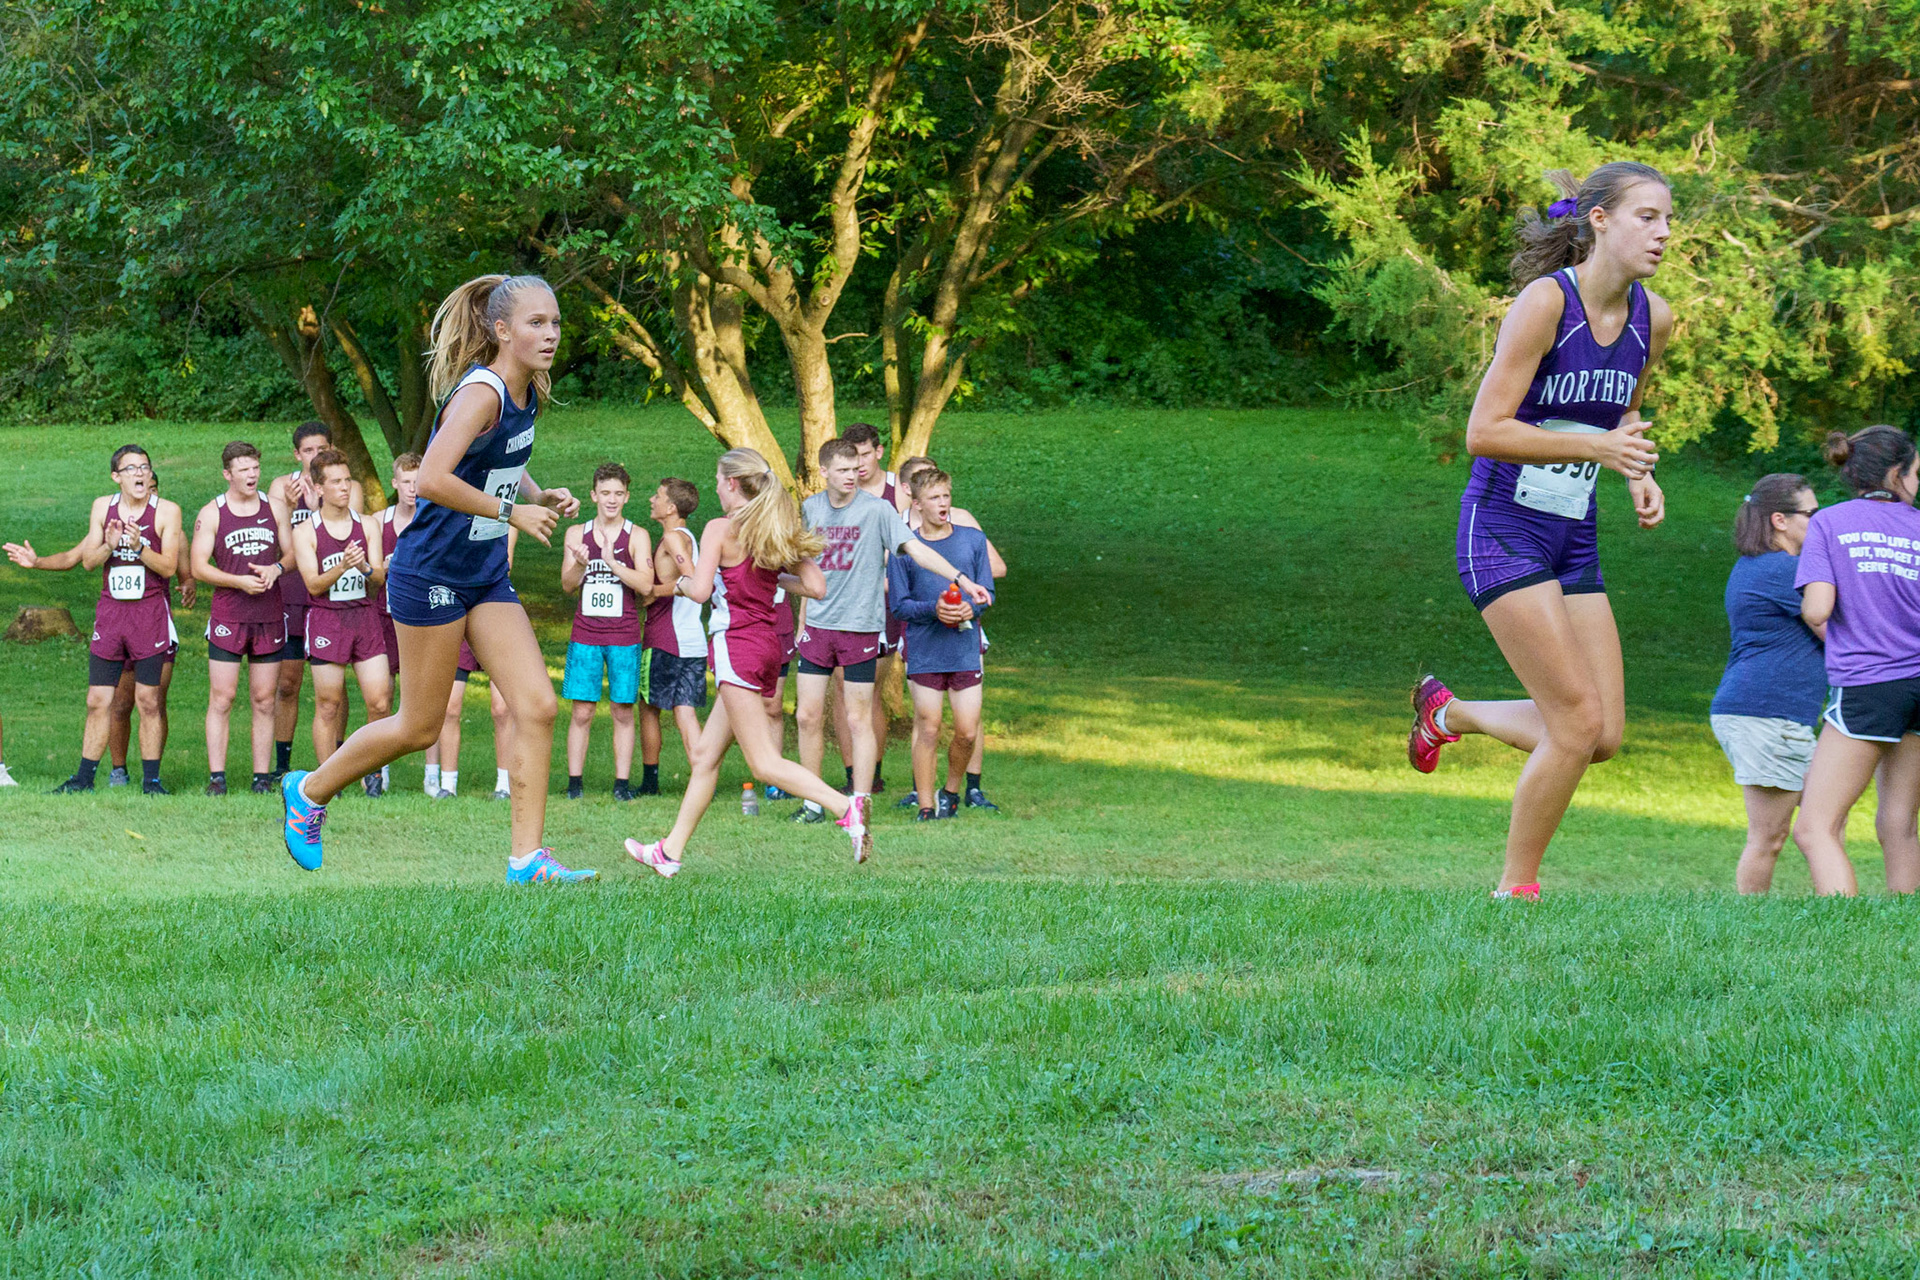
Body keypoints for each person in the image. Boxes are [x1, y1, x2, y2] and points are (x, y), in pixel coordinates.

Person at [1404, 162, 1672, 900]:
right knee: (1576, 722)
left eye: (1667, 220)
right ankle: (1516, 892)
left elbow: (1623, 411)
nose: (1663, 233)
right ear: (1600, 221)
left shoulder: (1655, 318)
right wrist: (1598, 448)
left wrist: (1636, 470)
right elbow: (1483, 431)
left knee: (1602, 736)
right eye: (1647, 216)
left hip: (1572, 533)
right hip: (1502, 529)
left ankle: (1449, 712)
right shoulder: (1546, 303)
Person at [278, 273, 592, 884]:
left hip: (482, 574)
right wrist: (512, 513)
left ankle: (527, 861)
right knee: (419, 726)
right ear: (501, 331)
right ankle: (308, 791)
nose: (550, 334)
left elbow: (500, 456)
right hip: (429, 574)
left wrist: (536, 494)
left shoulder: (529, 389)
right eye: (536, 323)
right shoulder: (482, 393)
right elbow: (430, 479)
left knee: (537, 705)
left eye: (554, 322)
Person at [625, 447, 878, 877]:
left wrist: (677, 583)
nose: (716, 490)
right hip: (766, 646)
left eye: (718, 482)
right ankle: (669, 852)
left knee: (762, 762)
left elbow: (701, 591)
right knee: (705, 755)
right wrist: (771, 575)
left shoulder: (721, 528)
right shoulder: (773, 527)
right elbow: (816, 586)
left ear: (731, 483)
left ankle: (845, 806)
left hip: (736, 645)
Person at [790, 438, 991, 826]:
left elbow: (917, 550)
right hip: (818, 626)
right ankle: (813, 803)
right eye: (843, 470)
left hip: (861, 627)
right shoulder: (811, 508)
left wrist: (961, 579)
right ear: (824, 472)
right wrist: (797, 611)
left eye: (855, 469)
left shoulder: (878, 510)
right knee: (807, 716)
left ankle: (860, 804)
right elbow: (806, 569)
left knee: (858, 719)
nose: (852, 476)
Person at [1790, 427, 1920, 897]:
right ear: (1896, 473)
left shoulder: (1830, 523)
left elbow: (1817, 610)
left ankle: (1843, 926)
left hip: (1868, 684)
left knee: (1814, 828)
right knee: (1899, 824)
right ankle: (1907, 922)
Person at [1709, 475, 1828, 893]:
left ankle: (1838, 904)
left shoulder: (1761, 567)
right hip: (1766, 715)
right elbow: (1838, 632)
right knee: (1769, 837)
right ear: (1780, 519)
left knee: (1823, 820)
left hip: (1766, 713)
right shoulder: (1782, 570)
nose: (1820, 522)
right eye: (1812, 514)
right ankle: (1751, 921)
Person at [39, 445, 183, 793]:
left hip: (149, 614)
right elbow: (89, 561)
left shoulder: (167, 511)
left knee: (148, 700)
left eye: (144, 467)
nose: (140, 473)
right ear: (116, 477)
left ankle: (152, 782)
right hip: (112, 615)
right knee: (97, 699)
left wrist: (139, 547)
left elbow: (169, 567)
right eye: (131, 468)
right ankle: (83, 778)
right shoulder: (103, 507)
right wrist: (110, 544)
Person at [894, 454, 1009, 812]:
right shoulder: (904, 548)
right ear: (917, 504)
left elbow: (987, 592)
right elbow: (900, 606)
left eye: (946, 496)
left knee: (967, 731)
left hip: (963, 647)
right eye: (934, 498)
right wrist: (935, 609)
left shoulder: (972, 540)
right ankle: (926, 806)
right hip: (925, 648)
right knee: (928, 727)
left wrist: (970, 609)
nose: (943, 503)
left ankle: (951, 792)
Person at [191, 441, 296, 795]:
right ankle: (217, 777)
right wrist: (238, 581)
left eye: (255, 468)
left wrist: (276, 568)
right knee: (222, 697)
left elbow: (294, 553)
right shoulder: (213, 513)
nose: (252, 475)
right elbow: (198, 566)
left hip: (268, 614)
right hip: (229, 615)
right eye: (244, 470)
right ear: (227, 474)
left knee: (264, 699)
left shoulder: (274, 506)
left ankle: (261, 777)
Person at [292, 449, 392, 794]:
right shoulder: (306, 531)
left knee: (380, 702)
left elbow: (378, 577)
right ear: (319, 488)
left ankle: (371, 773)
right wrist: (343, 565)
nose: (344, 487)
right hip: (326, 619)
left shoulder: (367, 525)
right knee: (328, 704)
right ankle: (326, 782)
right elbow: (313, 585)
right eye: (335, 482)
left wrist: (363, 566)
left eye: (347, 480)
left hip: (364, 617)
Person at [268, 422, 364, 779]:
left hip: (338, 596)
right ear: (297, 454)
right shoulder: (281, 487)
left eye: (321, 448)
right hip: (294, 593)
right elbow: (276, 544)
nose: (315, 455)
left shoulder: (346, 487)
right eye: (308, 450)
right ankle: (282, 764)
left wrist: (315, 507)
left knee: (335, 686)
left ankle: (337, 761)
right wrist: (291, 506)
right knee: (287, 682)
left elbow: (350, 536)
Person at [561, 463, 654, 800]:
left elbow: (646, 585)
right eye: (605, 493)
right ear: (593, 496)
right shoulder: (577, 534)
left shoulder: (637, 536)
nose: (611, 500)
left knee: (622, 710)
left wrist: (613, 563)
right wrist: (581, 564)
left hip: (624, 636)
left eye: (618, 493)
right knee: (582, 710)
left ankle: (621, 785)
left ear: (627, 497)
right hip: (585, 634)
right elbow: (567, 585)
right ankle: (574, 784)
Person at [840, 422, 903, 790]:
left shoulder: (900, 492)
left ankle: (873, 773)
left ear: (879, 452)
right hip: (843, 604)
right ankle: (853, 775)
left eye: (865, 455)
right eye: (853, 457)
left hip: (886, 605)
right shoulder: (841, 491)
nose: (860, 464)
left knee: (869, 690)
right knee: (842, 686)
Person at [638, 477, 707, 797]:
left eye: (658, 496)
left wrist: (654, 591)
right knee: (684, 710)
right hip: (692, 640)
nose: (652, 500)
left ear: (671, 507)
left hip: (667, 637)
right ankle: (703, 779)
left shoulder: (672, 538)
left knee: (648, 707)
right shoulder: (688, 536)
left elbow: (693, 582)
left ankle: (650, 783)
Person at [434, 640, 515, 799]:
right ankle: (448, 786)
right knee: (450, 709)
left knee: (502, 710)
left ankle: (505, 786)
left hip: (496, 632)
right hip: (459, 632)